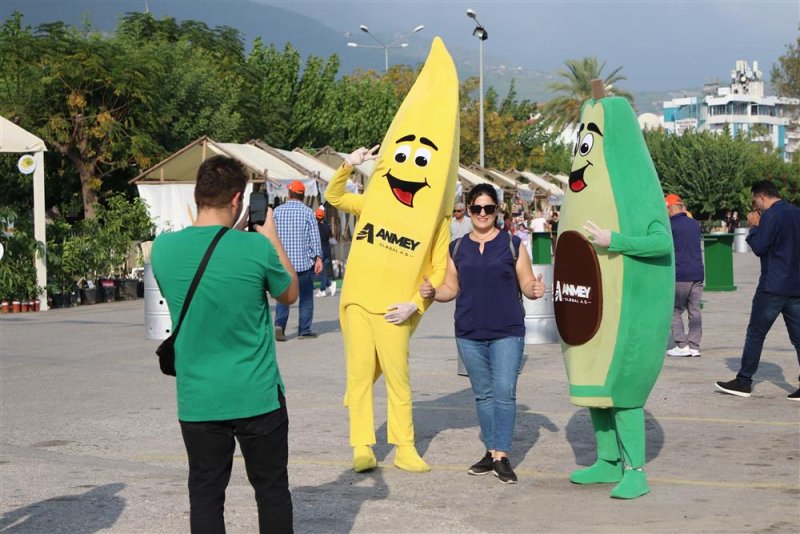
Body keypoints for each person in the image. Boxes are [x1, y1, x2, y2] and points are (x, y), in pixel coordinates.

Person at [152, 155, 298, 533]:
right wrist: (269, 235)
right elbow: (290, 294)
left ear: (198, 196)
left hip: (199, 397)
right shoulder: (254, 249)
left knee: (205, 494)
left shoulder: (163, 249)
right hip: (257, 394)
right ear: (238, 200)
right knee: (271, 492)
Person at [419, 183, 545, 484]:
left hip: (507, 331)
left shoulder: (513, 244)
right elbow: (451, 287)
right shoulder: (458, 248)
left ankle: (502, 455)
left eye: (489, 208)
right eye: (477, 208)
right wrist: (433, 292)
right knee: (483, 395)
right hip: (468, 332)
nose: (482, 214)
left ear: (497, 211)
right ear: (470, 209)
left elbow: (526, 282)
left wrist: (534, 289)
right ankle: (490, 451)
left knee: (504, 391)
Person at [716, 180, 800, 400]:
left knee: (756, 334)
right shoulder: (796, 212)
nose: (754, 206)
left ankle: (744, 381)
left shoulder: (771, 216)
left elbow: (760, 247)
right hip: (796, 286)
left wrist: (755, 227)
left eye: (754, 200)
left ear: (762, 196)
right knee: (799, 338)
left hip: (772, 287)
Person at [273, 180, 323, 340]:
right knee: (306, 297)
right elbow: (314, 238)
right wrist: (319, 258)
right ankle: (304, 330)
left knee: (283, 295)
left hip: (283, 263)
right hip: (304, 263)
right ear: (302, 196)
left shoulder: (277, 212)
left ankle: (280, 325)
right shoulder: (308, 212)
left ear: (289, 194)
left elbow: (272, 237)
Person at [665, 194, 704, 357]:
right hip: (698, 273)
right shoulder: (695, 224)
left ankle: (681, 345)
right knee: (694, 310)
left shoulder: (670, 226)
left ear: (670, 208)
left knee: (674, 310)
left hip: (680, 274)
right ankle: (694, 346)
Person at [314, 207, 336, 298]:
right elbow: (331, 237)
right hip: (327, 249)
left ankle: (323, 289)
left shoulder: (315, 227)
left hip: (319, 250)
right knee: (323, 271)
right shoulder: (327, 227)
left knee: (316, 272)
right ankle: (329, 284)